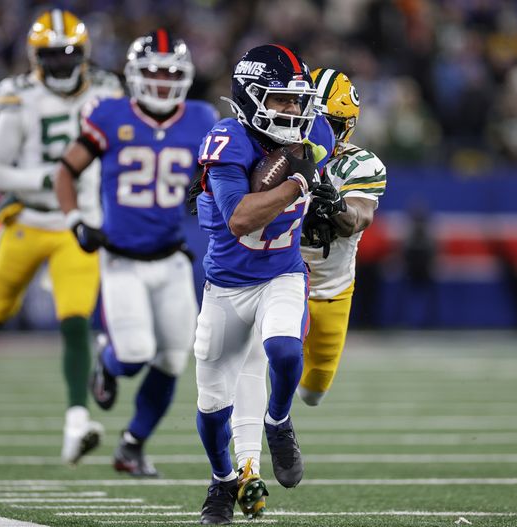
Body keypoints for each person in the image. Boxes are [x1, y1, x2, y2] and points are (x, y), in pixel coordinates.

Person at [0, 10, 122, 467]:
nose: (60, 63)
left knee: (75, 320)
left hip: (77, 223)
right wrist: (46, 178)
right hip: (29, 219)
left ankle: (76, 423)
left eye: (68, 54)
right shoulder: (20, 97)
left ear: (84, 54)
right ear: (35, 58)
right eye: (51, 55)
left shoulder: (108, 92)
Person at [54, 30, 218, 478]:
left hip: (171, 258)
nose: (162, 82)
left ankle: (132, 446)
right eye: (154, 72)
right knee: (134, 353)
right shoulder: (109, 115)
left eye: (171, 73)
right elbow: (66, 172)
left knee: (173, 358)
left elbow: (224, 176)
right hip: (121, 258)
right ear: (134, 75)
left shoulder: (202, 118)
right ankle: (107, 365)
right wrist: (75, 221)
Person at [231, 68, 387, 518]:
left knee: (314, 390)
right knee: (257, 361)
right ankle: (252, 454)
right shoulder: (268, 152)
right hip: (277, 277)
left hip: (331, 290)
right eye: (309, 117)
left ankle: (285, 407)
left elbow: (358, 218)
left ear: (346, 127)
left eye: (328, 123)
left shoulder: (360, 164)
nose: (315, 130)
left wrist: (332, 204)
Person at [191, 44, 335, 525]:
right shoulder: (228, 140)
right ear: (250, 98)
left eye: (298, 100)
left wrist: (335, 197)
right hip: (226, 287)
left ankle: (278, 420)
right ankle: (222, 480)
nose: (293, 110)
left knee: (285, 350)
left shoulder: (315, 131)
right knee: (213, 405)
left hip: (281, 273)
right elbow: (239, 218)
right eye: (281, 100)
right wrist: (298, 183)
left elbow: (334, 156)